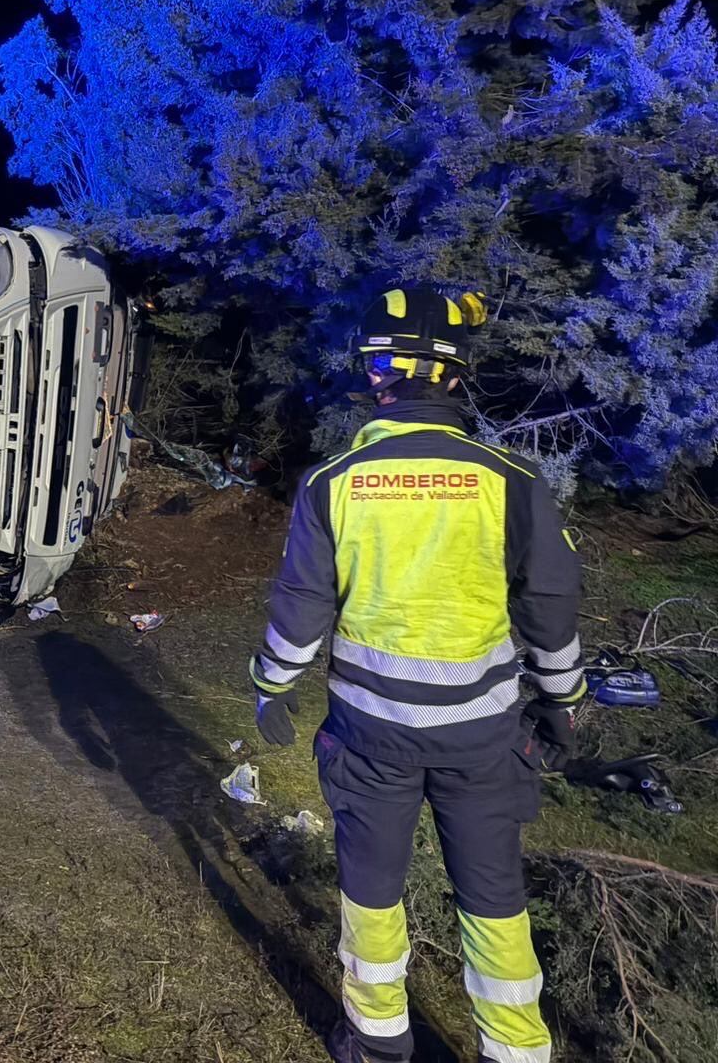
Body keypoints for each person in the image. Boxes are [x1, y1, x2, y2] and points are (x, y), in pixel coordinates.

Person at [249, 288, 582, 1063]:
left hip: (371, 738)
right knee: (495, 898)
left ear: (374, 375)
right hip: (484, 739)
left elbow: (303, 604)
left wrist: (272, 687)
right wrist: (563, 698)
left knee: (371, 889)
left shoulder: (335, 480)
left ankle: (377, 1043)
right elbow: (550, 604)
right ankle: (515, 1048)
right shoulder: (511, 478)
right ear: (458, 380)